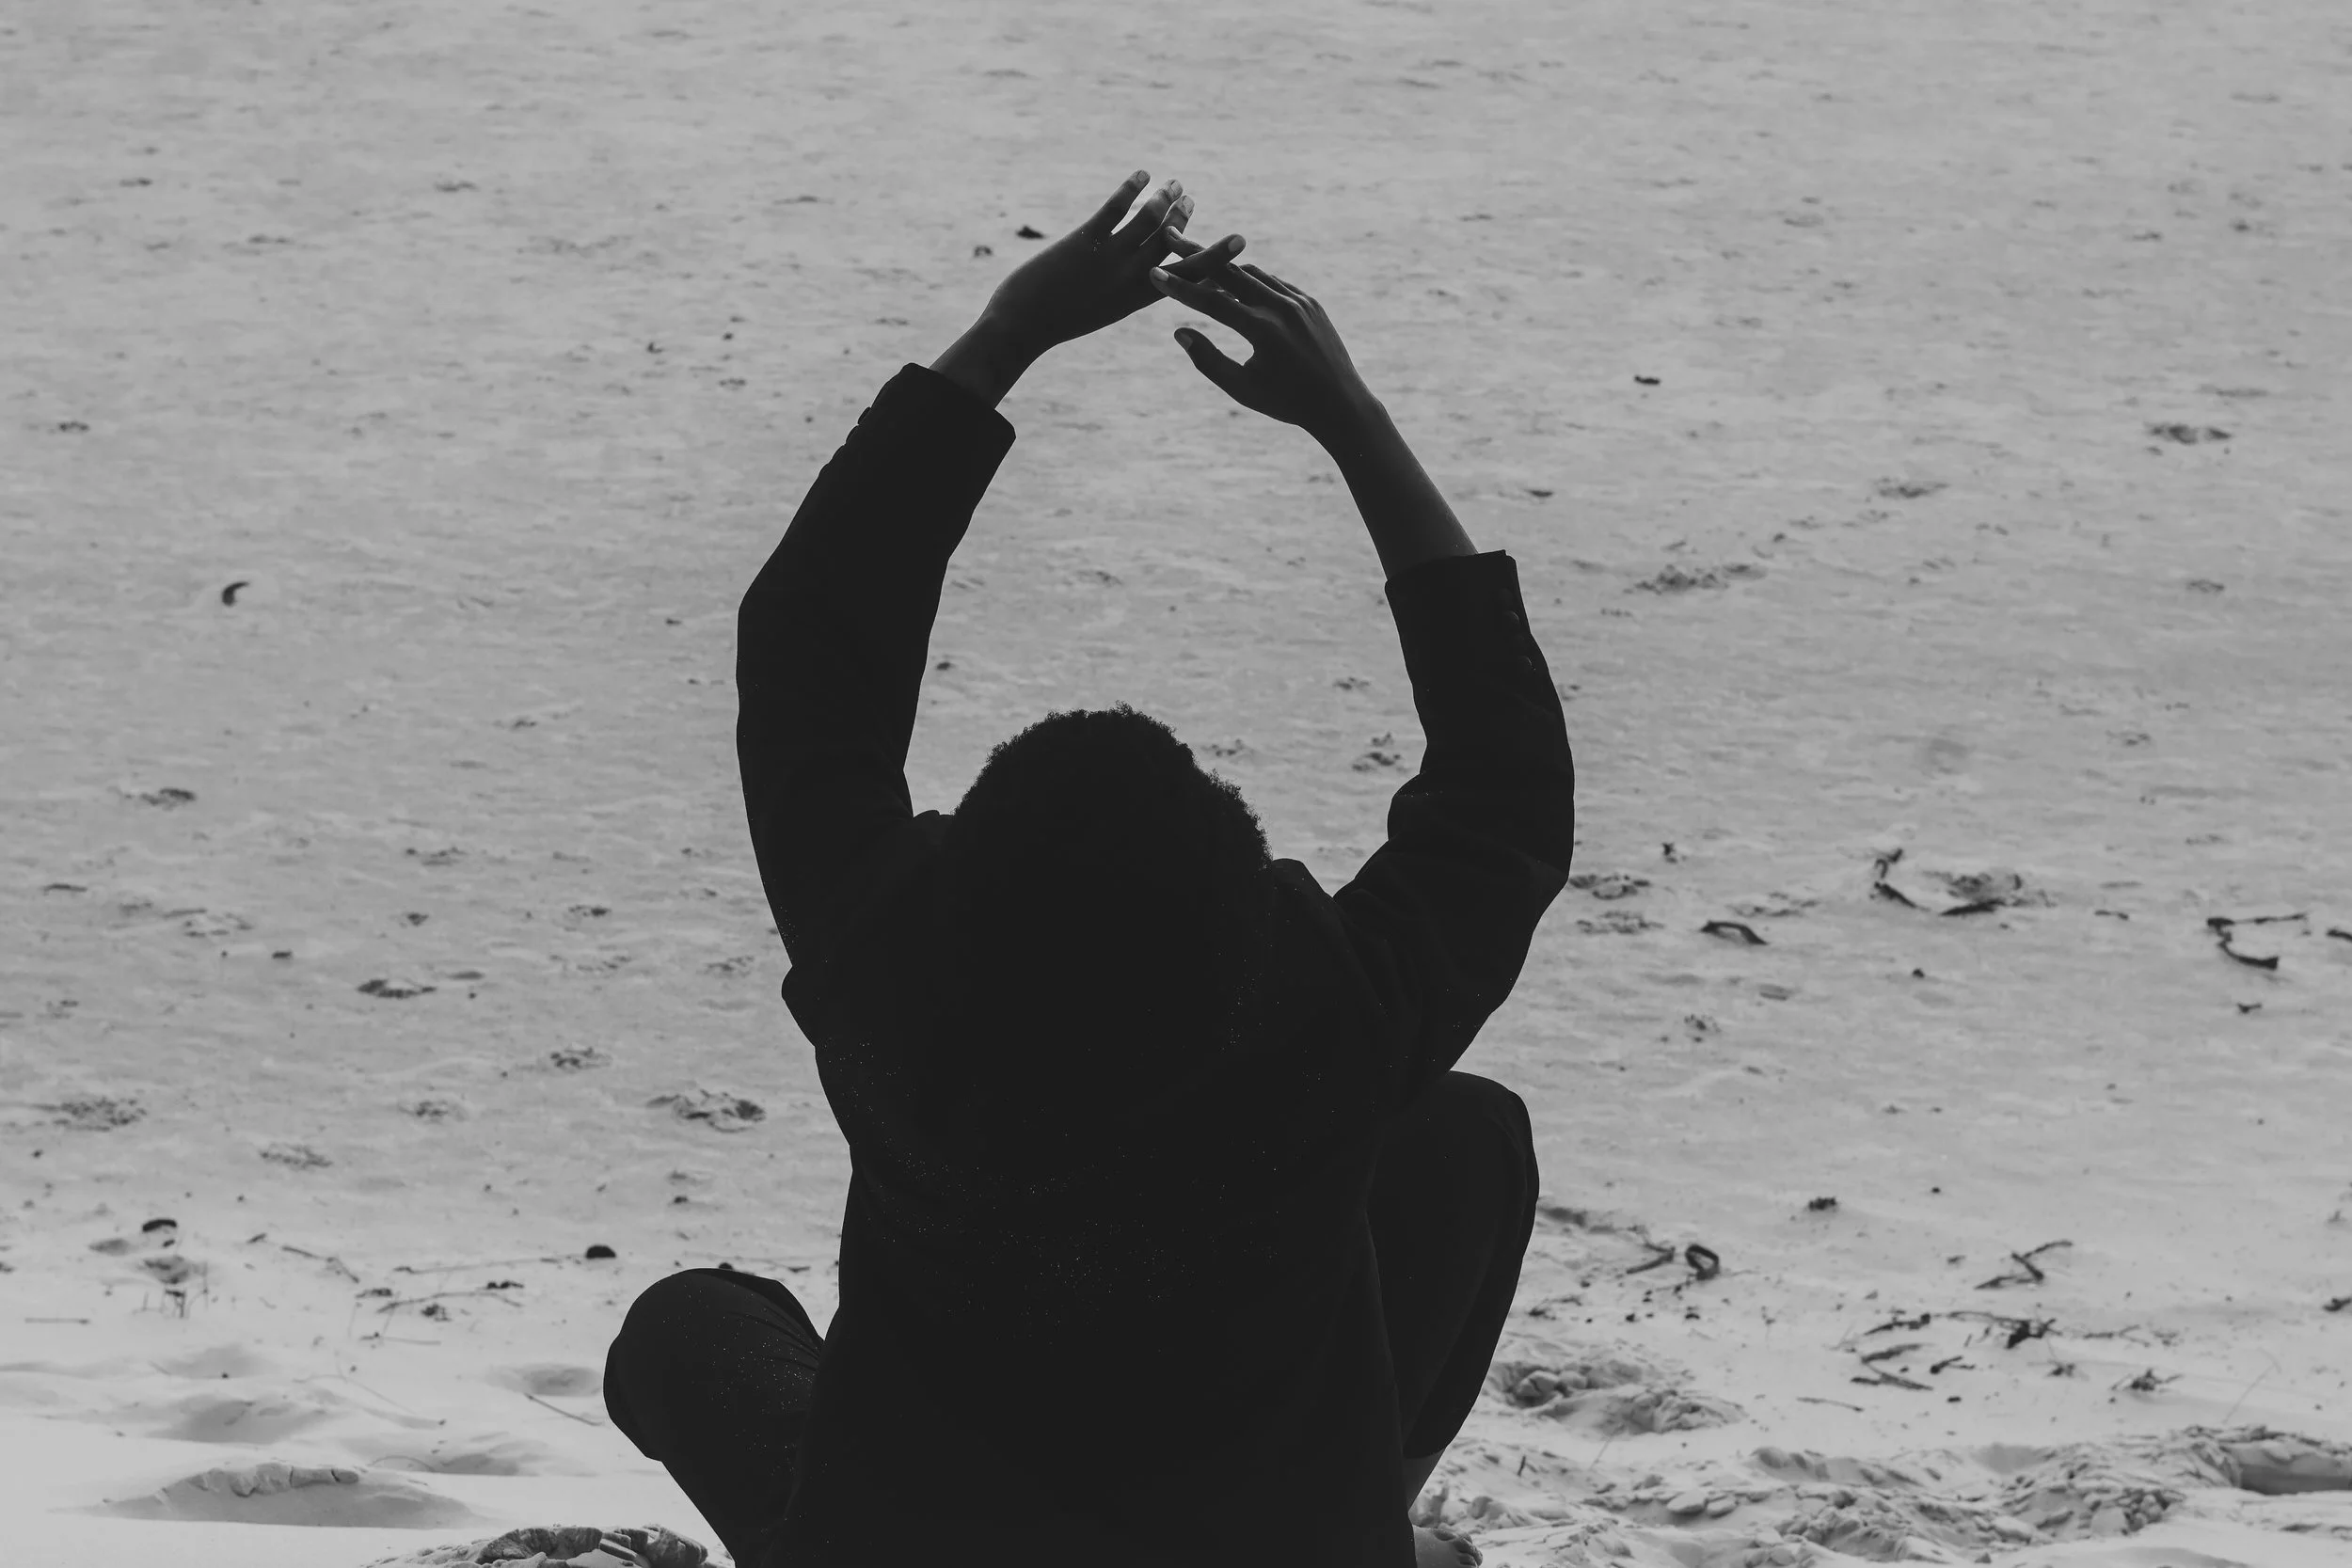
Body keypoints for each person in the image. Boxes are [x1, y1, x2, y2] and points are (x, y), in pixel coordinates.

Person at [602, 171, 1574, 1568]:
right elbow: (1505, 790)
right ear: (1243, 913)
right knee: (1462, 1136)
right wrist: (1354, 428)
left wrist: (1009, 332)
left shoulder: (892, 975)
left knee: (687, 1328)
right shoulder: (1328, 1020)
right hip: (1274, 1544)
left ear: (961, 888)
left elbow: (811, 651)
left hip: (906, 1550)